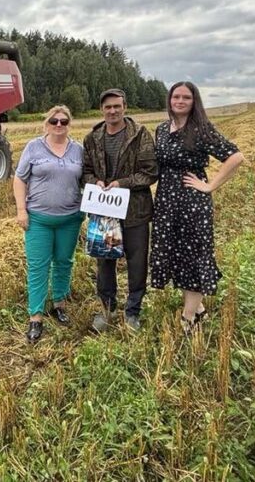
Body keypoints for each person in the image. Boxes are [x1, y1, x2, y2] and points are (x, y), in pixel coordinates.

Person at [150, 81, 245, 332]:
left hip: (192, 202)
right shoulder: (161, 129)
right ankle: (198, 308)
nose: (180, 101)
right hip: (166, 201)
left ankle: (188, 318)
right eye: (176, 97)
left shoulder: (201, 129)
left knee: (192, 255)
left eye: (186, 97)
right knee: (175, 253)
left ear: (194, 102)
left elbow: (235, 157)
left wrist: (210, 185)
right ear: (169, 100)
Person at [82, 89, 158, 332]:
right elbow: (84, 171)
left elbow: (151, 172)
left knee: (137, 262)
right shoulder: (92, 138)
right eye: (108, 107)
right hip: (104, 211)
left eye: (117, 106)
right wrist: (95, 182)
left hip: (135, 211)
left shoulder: (140, 135)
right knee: (104, 261)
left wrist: (122, 183)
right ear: (101, 109)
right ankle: (107, 309)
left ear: (125, 107)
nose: (113, 111)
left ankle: (133, 311)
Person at [13, 105, 85, 343]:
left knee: (64, 262)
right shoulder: (34, 147)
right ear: (47, 123)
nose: (58, 125)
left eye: (64, 121)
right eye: (54, 121)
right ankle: (35, 316)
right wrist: (21, 210)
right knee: (38, 266)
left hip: (70, 219)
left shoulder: (78, 150)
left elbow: (89, 180)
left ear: (69, 124)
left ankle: (59, 304)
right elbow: (20, 179)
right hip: (39, 220)